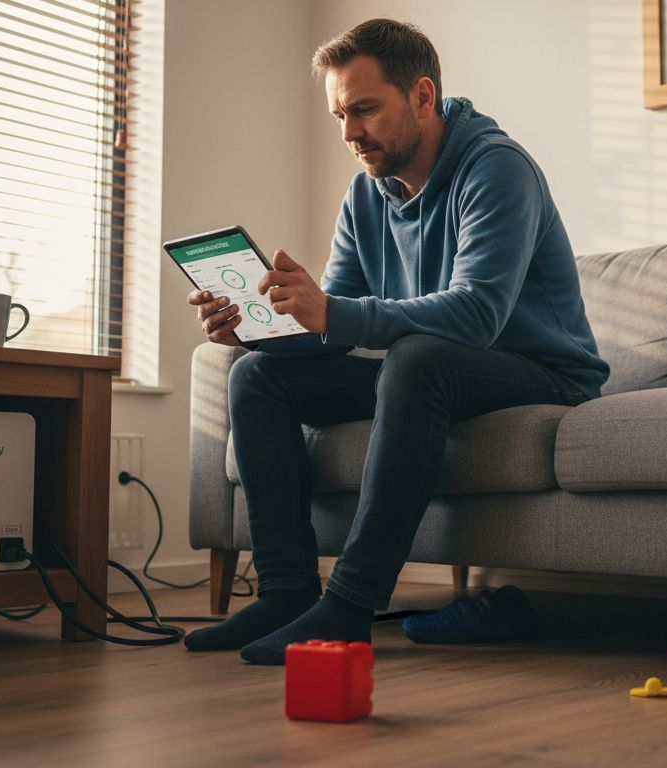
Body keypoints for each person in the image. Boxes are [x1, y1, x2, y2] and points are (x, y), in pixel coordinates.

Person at [183, 18, 608, 665]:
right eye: (339, 116)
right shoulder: (365, 195)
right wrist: (262, 332)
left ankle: (350, 605)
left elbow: (476, 316)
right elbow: (332, 332)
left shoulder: (497, 168)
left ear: (422, 96)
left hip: (544, 372)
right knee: (254, 377)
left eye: (364, 109)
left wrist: (332, 312)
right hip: (441, 370)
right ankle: (287, 592)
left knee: (416, 357)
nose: (350, 133)